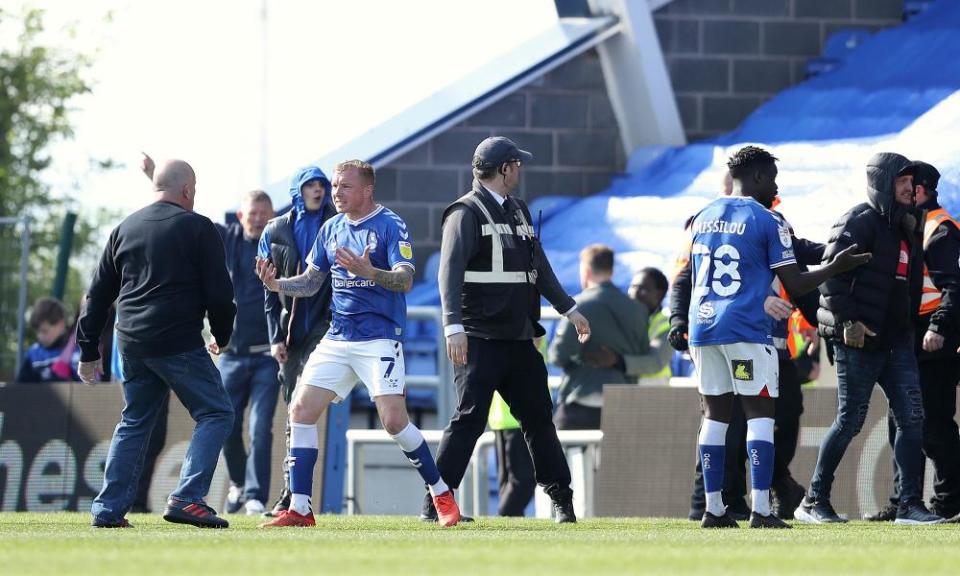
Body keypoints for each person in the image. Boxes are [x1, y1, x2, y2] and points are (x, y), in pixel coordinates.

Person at [257, 159, 462, 528]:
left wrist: (371, 272)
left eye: (344, 186)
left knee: (395, 422)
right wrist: (277, 286)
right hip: (337, 337)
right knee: (300, 411)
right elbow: (311, 281)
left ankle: (441, 492)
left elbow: (405, 280)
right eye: (335, 186)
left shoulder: (390, 224)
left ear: (367, 190)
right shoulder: (331, 228)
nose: (335, 192)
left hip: (379, 338)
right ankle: (301, 508)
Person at [686, 146, 868, 529]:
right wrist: (835, 266)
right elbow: (796, 281)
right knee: (760, 418)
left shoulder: (702, 217)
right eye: (771, 178)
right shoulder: (768, 220)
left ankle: (714, 509)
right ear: (756, 177)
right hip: (747, 330)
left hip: (703, 328)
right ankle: (761, 511)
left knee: (714, 417)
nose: (775, 186)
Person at [429, 136, 591, 524]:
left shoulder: (518, 210)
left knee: (539, 420)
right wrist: (453, 327)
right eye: (517, 164)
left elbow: (539, 269)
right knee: (469, 419)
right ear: (504, 168)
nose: (521, 170)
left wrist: (569, 309)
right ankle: (435, 505)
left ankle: (561, 502)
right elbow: (447, 273)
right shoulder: (464, 213)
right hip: (479, 338)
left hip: (519, 338)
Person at [76, 158, 236, 529]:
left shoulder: (124, 228)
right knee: (216, 412)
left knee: (134, 422)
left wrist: (87, 351)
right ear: (187, 190)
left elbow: (97, 295)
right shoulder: (199, 228)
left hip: (129, 342)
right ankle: (188, 498)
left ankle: (107, 511)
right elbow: (220, 293)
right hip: (177, 339)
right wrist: (222, 336)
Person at [796, 152, 942, 525]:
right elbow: (830, 278)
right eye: (903, 183)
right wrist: (848, 323)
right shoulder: (856, 222)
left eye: (912, 184)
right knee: (850, 420)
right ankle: (814, 501)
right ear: (884, 184)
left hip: (897, 343)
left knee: (913, 419)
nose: (911, 190)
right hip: (858, 341)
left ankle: (909, 505)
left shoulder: (907, 225)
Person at [864, 161, 960, 522]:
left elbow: (954, 286)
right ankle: (904, 500)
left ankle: (949, 502)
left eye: (907, 183)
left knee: (934, 426)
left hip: (935, 341)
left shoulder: (939, 229)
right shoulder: (910, 225)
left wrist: (939, 326)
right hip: (910, 337)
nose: (901, 189)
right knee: (902, 422)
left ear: (920, 189)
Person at [258, 166, 337, 516]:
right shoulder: (275, 230)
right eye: (311, 185)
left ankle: (296, 495)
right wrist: (276, 337)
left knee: (304, 407)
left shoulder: (338, 225)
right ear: (297, 191)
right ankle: (292, 494)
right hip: (290, 335)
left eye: (322, 185)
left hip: (327, 328)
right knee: (294, 412)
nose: (318, 191)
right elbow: (268, 293)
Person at [213, 190, 280, 515]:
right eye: (252, 213)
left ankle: (255, 495)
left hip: (267, 355)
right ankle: (238, 483)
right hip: (231, 354)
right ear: (241, 215)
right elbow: (187, 217)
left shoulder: (279, 245)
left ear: (272, 215)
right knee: (225, 423)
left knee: (260, 426)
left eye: (263, 213)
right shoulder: (227, 239)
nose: (257, 218)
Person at [549, 244, 648, 430]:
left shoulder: (578, 307)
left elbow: (557, 356)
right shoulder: (638, 309)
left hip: (581, 403)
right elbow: (643, 354)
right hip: (624, 405)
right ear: (611, 270)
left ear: (585, 271)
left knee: (560, 454)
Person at [584, 267, 673, 387]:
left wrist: (617, 361)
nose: (634, 293)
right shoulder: (622, 318)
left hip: (653, 392)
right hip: (623, 389)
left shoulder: (665, 324)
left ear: (659, 295)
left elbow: (655, 362)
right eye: (633, 286)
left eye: (643, 289)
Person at [16, 297, 81, 382]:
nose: (39, 336)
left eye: (44, 331)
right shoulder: (33, 353)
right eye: (37, 331)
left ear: (61, 324)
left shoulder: (76, 351)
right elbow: (20, 386)